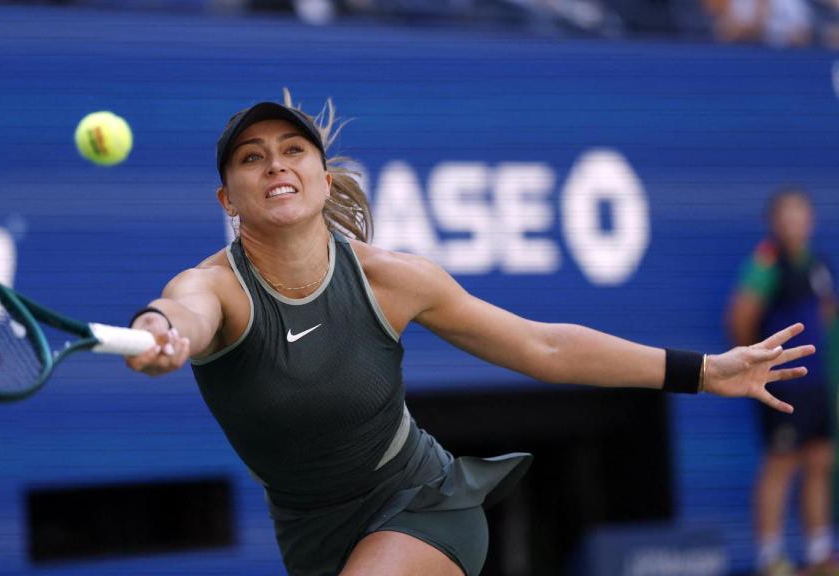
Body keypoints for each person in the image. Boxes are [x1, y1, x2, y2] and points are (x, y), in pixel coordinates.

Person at [125, 93, 815, 576]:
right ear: (228, 199)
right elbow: (182, 313)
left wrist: (702, 371)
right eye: (250, 157)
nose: (275, 163)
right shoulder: (215, 287)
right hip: (307, 533)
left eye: (292, 149)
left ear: (321, 174)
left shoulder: (393, 279)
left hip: (425, 501)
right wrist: (159, 333)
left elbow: (544, 347)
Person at [727, 187, 837, 576]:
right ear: (774, 222)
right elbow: (741, 315)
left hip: (815, 384)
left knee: (820, 459)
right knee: (780, 463)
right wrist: (757, 366)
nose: (793, 224)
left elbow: (825, 315)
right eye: (785, 216)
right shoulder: (765, 263)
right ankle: (771, 557)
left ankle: (820, 552)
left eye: (800, 215)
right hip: (782, 382)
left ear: (810, 221)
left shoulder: (817, 264)